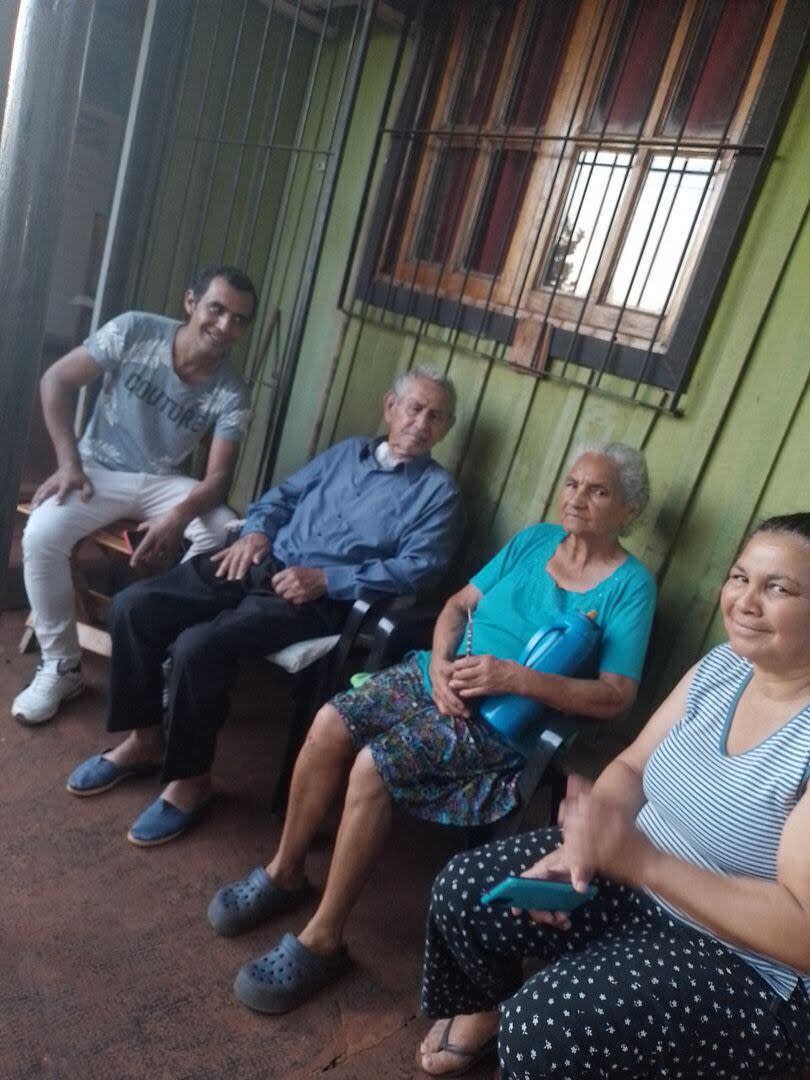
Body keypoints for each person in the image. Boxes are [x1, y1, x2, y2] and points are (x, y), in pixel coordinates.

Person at [206, 442, 657, 1016]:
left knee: (374, 765)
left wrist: (515, 679)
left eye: (599, 491)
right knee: (330, 722)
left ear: (630, 511)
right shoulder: (534, 541)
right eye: (573, 484)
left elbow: (617, 696)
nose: (577, 499)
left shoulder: (630, 586)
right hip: (437, 676)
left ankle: (324, 938)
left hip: (499, 720)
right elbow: (456, 605)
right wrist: (441, 664)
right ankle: (285, 871)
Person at [416, 512, 810, 1080]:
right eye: (739, 577)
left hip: (743, 960)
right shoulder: (724, 665)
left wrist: (641, 861)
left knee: (542, 1026)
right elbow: (630, 766)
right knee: (465, 891)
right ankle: (484, 1011)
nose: (745, 601)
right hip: (638, 875)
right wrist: (584, 844)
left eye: (778, 588)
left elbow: (800, 930)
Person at [66, 366, 461, 846]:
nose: (421, 424)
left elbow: (419, 569)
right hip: (259, 559)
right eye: (415, 408)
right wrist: (255, 531)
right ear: (390, 407)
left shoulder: (438, 494)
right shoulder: (347, 453)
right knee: (134, 606)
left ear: (446, 428)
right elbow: (282, 497)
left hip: (314, 597)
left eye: (436, 416)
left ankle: (191, 782)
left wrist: (327, 579)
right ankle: (144, 741)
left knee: (199, 645)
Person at [13, 264, 258, 726]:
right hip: (99, 470)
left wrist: (179, 516)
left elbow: (217, 478)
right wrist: (69, 462)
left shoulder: (232, 391)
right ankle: (62, 665)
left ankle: (165, 651)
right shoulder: (135, 330)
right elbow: (55, 381)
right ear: (191, 303)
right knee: (41, 533)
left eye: (240, 319)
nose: (226, 326)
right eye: (217, 309)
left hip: (165, 483)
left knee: (224, 534)